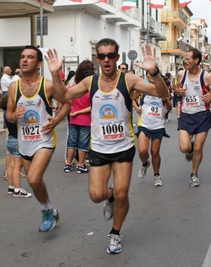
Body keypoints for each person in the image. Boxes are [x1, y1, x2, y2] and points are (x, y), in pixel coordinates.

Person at [45, 38, 169, 253]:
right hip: (99, 149)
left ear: (117, 57)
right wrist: (56, 74)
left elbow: (162, 93)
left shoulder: (128, 80)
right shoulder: (90, 82)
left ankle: (115, 233)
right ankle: (109, 197)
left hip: (123, 148)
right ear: (97, 59)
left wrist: (155, 72)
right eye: (102, 56)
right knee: (96, 195)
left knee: (123, 193)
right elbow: (64, 95)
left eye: (110, 55)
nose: (106, 59)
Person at [6, 45, 71, 232]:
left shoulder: (48, 85)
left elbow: (67, 102)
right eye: (22, 57)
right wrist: (14, 115)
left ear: (38, 63)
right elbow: (8, 114)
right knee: (33, 182)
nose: (25, 60)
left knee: (33, 179)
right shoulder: (13, 87)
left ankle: (45, 210)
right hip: (24, 142)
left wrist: (56, 121)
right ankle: (50, 207)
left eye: (30, 57)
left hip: (44, 140)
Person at [176, 48, 211, 187]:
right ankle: (189, 148)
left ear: (196, 61)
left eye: (187, 59)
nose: (185, 61)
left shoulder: (206, 76)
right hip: (186, 114)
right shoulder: (180, 74)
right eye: (184, 59)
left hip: (202, 114)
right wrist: (178, 90)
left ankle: (194, 174)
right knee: (184, 148)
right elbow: (176, 89)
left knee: (198, 147)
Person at [132, 72, 172, 187]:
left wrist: (165, 100)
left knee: (155, 152)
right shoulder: (143, 88)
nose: (150, 76)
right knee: (142, 150)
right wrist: (137, 108)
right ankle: (145, 164)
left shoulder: (162, 89)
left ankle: (156, 175)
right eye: (148, 74)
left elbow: (169, 108)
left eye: (152, 74)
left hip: (157, 125)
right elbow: (132, 99)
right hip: (144, 123)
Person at [64, 60, 94, 174]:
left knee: (71, 142)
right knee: (83, 143)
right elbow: (92, 106)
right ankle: (81, 165)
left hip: (73, 118)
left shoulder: (73, 87)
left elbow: (67, 101)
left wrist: (74, 111)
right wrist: (80, 112)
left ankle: (68, 164)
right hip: (85, 119)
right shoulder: (90, 89)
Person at [1, 96, 32, 198]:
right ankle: (17, 189)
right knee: (17, 167)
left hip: (10, 139)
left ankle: (11, 187)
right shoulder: (14, 115)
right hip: (17, 140)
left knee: (10, 165)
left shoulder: (6, 115)